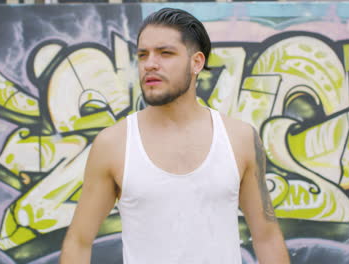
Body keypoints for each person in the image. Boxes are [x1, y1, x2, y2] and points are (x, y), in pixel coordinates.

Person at [60, 7, 290, 264]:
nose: (150, 64)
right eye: (143, 54)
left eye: (165, 53)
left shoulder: (240, 138)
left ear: (197, 62)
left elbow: (266, 236)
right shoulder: (114, 144)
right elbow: (79, 241)